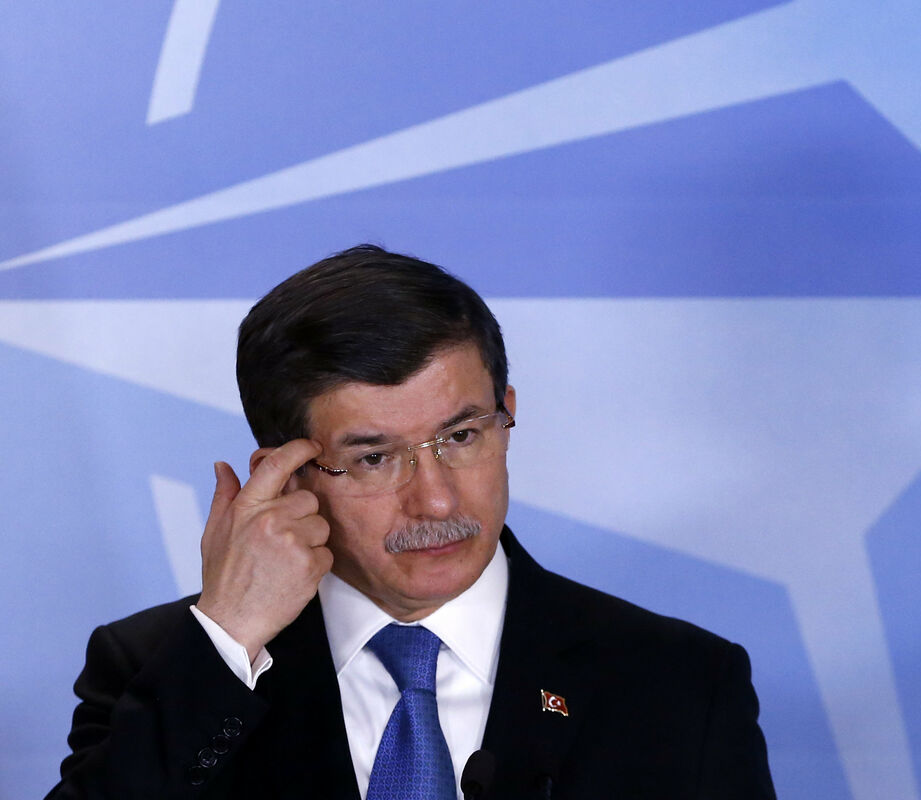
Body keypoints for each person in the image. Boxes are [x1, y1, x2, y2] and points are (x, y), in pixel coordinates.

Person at [46, 244, 776, 799]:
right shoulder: (163, 671)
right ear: (286, 476)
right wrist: (229, 637)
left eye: (461, 436)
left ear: (507, 415)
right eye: (373, 458)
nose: (436, 502)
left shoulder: (678, 684)